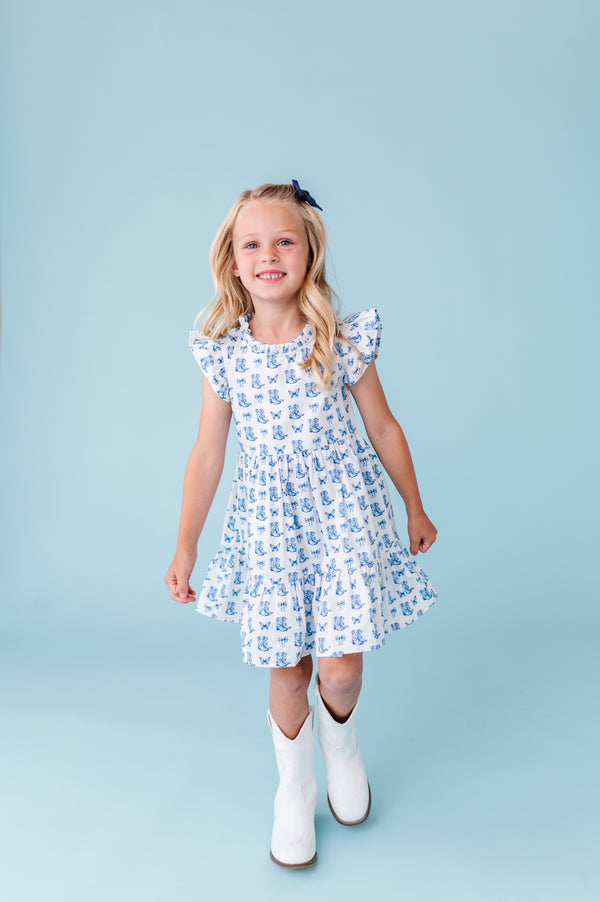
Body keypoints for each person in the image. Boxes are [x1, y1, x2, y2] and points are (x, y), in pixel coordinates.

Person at [164, 180, 438, 869]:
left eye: (284, 240)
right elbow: (206, 455)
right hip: (271, 528)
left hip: (343, 515)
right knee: (289, 670)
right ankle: (295, 785)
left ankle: (340, 744)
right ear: (232, 263)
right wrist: (185, 545)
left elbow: (382, 425)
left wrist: (414, 504)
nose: (268, 255)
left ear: (309, 254)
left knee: (339, 672)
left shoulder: (338, 341)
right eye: (251, 244)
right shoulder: (225, 354)